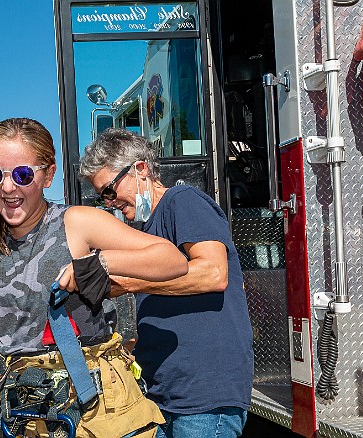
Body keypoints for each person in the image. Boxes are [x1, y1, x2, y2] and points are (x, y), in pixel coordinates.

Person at [0, 118, 188, 438]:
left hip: (98, 410)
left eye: (23, 174)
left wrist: (99, 263)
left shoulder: (78, 223)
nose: (8, 187)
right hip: (29, 407)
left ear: (48, 175)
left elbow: (173, 261)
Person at [79, 128, 254, 438]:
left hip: (204, 397)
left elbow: (214, 274)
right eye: (101, 196)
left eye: (109, 190)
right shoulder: (147, 228)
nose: (108, 203)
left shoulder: (183, 201)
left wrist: (133, 282)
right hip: (166, 393)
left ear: (141, 169)